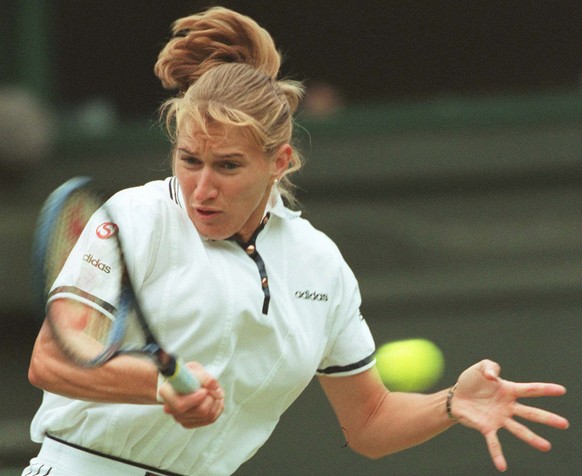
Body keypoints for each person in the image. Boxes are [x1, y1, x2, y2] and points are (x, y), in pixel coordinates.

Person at [24, 7, 569, 476]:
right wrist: (157, 386)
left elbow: (370, 422)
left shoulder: (319, 265)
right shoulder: (135, 217)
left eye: (228, 166)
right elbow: (53, 360)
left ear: (278, 162)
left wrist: (450, 404)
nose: (201, 187)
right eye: (189, 160)